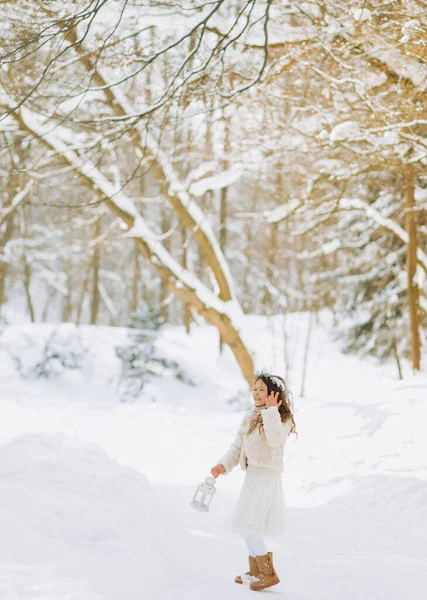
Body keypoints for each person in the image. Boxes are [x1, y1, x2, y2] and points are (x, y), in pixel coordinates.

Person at [210, 370, 297, 591]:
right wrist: (223, 465)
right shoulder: (250, 416)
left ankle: (267, 573)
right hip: (252, 478)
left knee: (248, 524)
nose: (257, 393)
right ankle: (256, 571)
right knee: (246, 524)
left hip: (267, 478)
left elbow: (275, 439)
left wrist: (271, 411)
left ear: (273, 394)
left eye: (262, 390)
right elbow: (237, 446)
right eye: (255, 389)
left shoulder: (282, 417)